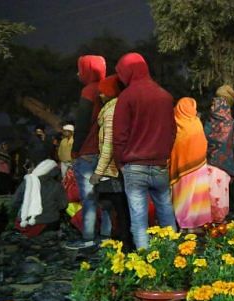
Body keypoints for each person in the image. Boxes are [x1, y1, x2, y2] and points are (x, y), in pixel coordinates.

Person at [113, 52, 177, 249]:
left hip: (133, 166)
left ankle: (144, 265)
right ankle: (173, 258)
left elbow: (119, 135)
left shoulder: (126, 97)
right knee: (166, 213)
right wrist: (164, 154)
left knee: (139, 221)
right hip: (159, 165)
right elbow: (173, 131)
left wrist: (119, 163)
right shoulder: (165, 96)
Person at [65, 55, 111, 250]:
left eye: (81, 69)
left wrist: (75, 149)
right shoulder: (110, 89)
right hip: (107, 154)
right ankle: (107, 237)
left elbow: (82, 124)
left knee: (89, 198)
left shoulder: (89, 91)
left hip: (88, 153)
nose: (78, 74)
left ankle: (89, 238)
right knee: (108, 198)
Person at [170, 97, 229, 229]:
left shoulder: (174, 123)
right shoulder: (196, 123)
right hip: (199, 167)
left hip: (182, 168)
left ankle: (184, 223)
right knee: (197, 197)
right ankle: (197, 223)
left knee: (183, 196)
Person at [89, 75, 133, 251]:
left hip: (113, 169)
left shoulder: (111, 111)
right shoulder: (116, 107)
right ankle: (125, 242)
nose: (100, 95)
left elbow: (109, 143)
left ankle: (126, 245)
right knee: (122, 208)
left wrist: (98, 172)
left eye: (103, 92)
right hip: (118, 167)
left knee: (120, 209)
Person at [13, 158, 67, 238]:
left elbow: (15, 201)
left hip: (23, 224)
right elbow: (63, 205)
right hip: (47, 223)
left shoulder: (27, 182)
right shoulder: (56, 186)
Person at [205, 85, 234, 178]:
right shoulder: (230, 121)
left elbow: (204, 137)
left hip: (209, 164)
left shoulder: (211, 120)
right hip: (226, 166)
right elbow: (233, 143)